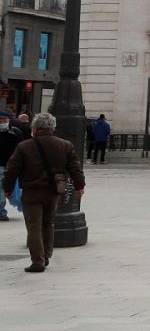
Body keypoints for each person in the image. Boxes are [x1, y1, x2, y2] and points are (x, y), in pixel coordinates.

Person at [2, 112, 85, 272]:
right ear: (52, 128)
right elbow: (75, 168)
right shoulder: (65, 145)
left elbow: (12, 170)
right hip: (53, 191)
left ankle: (37, 261)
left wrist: (7, 189)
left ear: (36, 128)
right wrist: (79, 186)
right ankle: (46, 255)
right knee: (48, 224)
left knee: (34, 227)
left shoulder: (24, 146)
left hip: (32, 192)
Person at [0, 112, 18, 222]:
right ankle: (1, 212)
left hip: (6, 166)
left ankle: (1, 211)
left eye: (4, 121)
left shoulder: (13, 135)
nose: (2, 123)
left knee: (1, 190)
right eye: (0, 121)